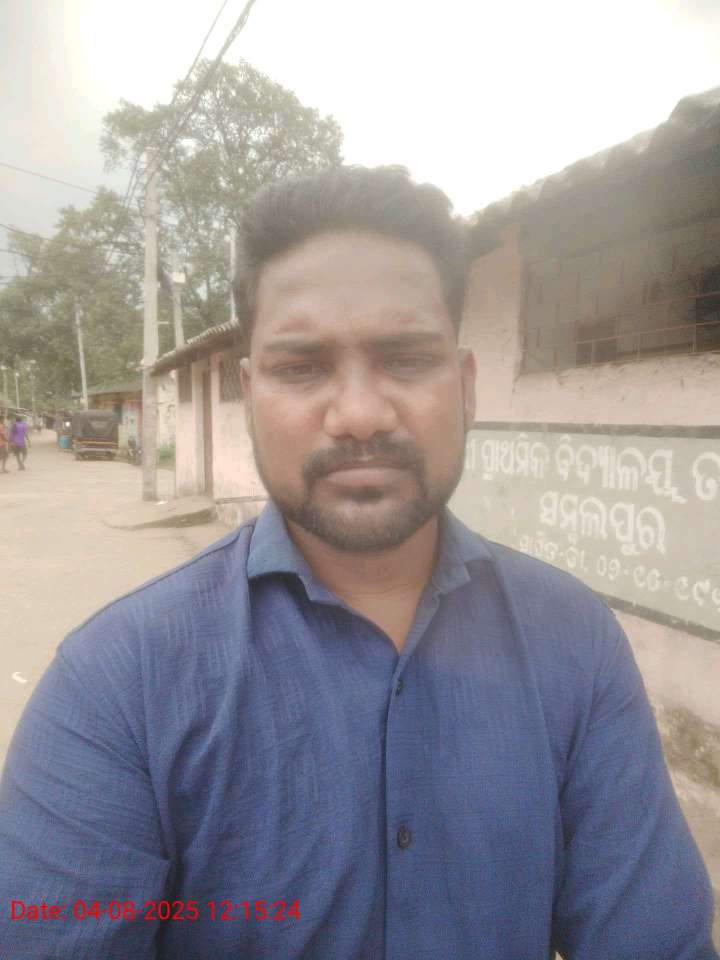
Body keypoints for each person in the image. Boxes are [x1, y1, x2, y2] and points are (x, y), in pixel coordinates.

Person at [0, 166, 716, 960]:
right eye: (302, 367)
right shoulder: (117, 684)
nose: (361, 415)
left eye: (406, 358)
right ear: (249, 394)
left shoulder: (574, 642)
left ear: (466, 387)